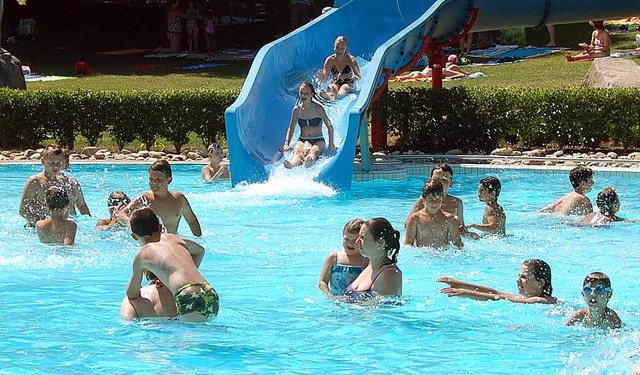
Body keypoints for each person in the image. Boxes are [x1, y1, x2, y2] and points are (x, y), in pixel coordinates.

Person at [125, 207, 218, 322]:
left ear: (134, 236)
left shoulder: (142, 255)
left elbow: (132, 294)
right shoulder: (174, 238)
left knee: (187, 338)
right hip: (208, 290)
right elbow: (200, 250)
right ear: (160, 227)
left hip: (186, 295)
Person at [119, 160, 202, 236]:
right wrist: (129, 222)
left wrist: (199, 239)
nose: (154, 183)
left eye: (159, 179)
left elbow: (192, 221)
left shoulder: (179, 199)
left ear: (169, 180)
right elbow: (121, 214)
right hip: (152, 244)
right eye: (151, 179)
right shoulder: (145, 199)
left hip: (172, 242)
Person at [19, 144, 91, 226]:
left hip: (67, 229)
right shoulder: (35, 182)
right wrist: (41, 225)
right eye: (51, 163)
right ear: (43, 161)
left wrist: (90, 226)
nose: (55, 166)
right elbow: (23, 210)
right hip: (40, 230)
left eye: (58, 163)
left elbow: (82, 206)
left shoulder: (71, 183)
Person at [405, 163, 477, 239]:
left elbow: (461, 226)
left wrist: (469, 235)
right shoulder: (423, 200)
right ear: (430, 181)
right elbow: (407, 224)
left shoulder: (456, 202)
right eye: (436, 179)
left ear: (451, 183)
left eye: (444, 180)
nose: (441, 183)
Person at [438, 259, 557, 304]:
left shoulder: (542, 300)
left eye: (524, 277)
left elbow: (500, 298)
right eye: (518, 276)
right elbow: (496, 292)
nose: (518, 280)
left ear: (540, 283)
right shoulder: (526, 296)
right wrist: (458, 283)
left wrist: (465, 293)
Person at [341, 218, 402, 300]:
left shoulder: (389, 275)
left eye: (362, 238)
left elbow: (384, 311)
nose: (357, 241)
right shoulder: (371, 266)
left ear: (380, 243)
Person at [281, 81, 336, 168]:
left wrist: (331, 144)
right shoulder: (297, 110)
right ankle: (292, 164)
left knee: (313, 151)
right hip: (302, 139)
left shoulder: (318, 109)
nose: (303, 95)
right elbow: (291, 128)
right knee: (297, 152)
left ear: (311, 94)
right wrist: (286, 143)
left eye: (306, 93)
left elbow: (329, 126)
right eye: (301, 93)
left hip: (318, 140)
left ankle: (309, 161)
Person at [405, 180, 464, 248]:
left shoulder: (449, 219)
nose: (435, 203)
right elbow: (408, 245)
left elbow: (458, 244)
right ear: (423, 200)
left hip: (443, 256)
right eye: (431, 200)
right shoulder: (415, 218)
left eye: (438, 200)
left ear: (442, 200)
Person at [318, 218, 369, 296]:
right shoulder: (333, 258)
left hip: (358, 301)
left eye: (354, 240)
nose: (350, 243)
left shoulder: (366, 261)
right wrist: (329, 294)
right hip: (336, 299)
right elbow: (322, 282)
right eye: (346, 239)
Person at [319, 36, 362, 100]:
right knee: (331, 87)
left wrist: (354, 77)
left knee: (344, 87)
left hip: (349, 82)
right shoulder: (330, 60)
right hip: (336, 82)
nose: (339, 50)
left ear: (346, 48)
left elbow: (359, 75)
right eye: (337, 47)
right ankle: (328, 96)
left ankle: (338, 96)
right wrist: (323, 78)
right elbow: (325, 79)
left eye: (342, 48)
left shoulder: (350, 59)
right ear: (334, 47)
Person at [392, 54, 469, 82]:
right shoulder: (446, 68)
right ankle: (398, 78)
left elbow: (462, 73)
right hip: (421, 74)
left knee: (404, 76)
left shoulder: (445, 67)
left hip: (419, 73)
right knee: (406, 77)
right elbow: (463, 73)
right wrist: (451, 78)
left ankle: (395, 77)